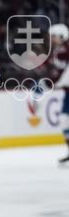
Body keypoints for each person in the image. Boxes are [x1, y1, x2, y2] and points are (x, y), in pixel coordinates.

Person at [49, 23, 69, 165]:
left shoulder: (65, 50)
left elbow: (62, 74)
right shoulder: (60, 50)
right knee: (64, 121)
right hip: (67, 92)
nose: (52, 39)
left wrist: (53, 82)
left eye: (54, 36)